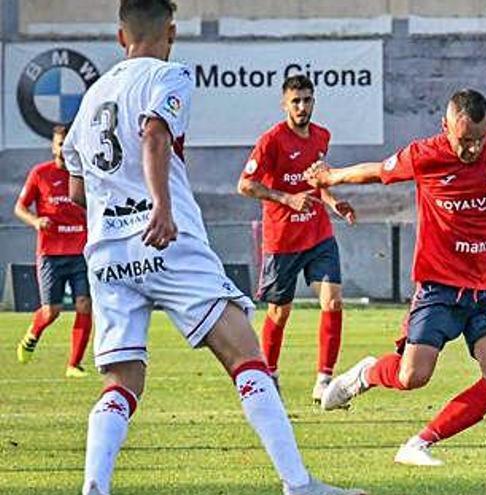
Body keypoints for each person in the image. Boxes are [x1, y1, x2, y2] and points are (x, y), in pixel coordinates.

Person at [62, 1, 364, 494]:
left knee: (121, 382)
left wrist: (114, 218)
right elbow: (155, 134)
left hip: (108, 254)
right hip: (167, 242)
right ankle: (298, 484)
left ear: (120, 37)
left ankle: (94, 487)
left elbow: (77, 190)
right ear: (172, 33)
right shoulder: (169, 75)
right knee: (245, 354)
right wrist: (160, 207)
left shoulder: (93, 95)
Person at [305, 89, 486, 467]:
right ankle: (364, 375)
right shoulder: (425, 155)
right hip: (438, 287)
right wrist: (330, 176)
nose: (472, 149)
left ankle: (419, 443)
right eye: (464, 141)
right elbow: (377, 171)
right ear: (445, 127)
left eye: (479, 139)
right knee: (412, 377)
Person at [238, 75, 355, 402]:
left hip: (318, 235)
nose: (302, 107)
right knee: (279, 313)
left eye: (307, 100)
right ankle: (268, 375)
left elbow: (317, 182)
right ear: (284, 104)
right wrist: (287, 199)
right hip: (283, 241)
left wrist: (333, 203)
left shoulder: (321, 137)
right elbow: (245, 185)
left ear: (314, 101)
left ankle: (324, 381)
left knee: (333, 302)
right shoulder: (272, 140)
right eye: (296, 101)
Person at [14, 125, 93, 378]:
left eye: (67, 143)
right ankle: (32, 335)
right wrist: (36, 221)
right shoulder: (40, 174)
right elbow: (20, 207)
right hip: (50, 253)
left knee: (84, 304)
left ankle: (74, 365)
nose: (63, 149)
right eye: (59, 143)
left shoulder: (84, 174)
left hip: (81, 250)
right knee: (52, 311)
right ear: (53, 146)